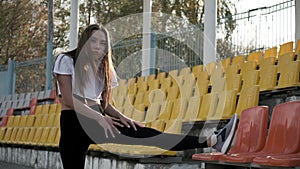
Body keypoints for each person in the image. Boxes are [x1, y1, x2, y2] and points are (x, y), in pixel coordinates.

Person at [53, 24, 238, 169]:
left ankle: (212, 141)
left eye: (103, 43)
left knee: (149, 135)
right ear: (85, 41)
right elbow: (68, 100)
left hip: (96, 118)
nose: (98, 47)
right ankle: (213, 141)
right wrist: (100, 118)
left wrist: (123, 118)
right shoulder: (67, 60)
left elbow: (104, 103)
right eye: (94, 41)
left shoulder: (104, 69)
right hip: (74, 122)